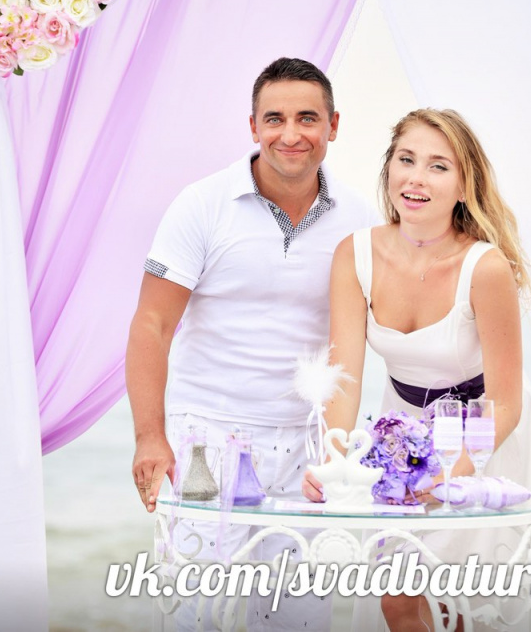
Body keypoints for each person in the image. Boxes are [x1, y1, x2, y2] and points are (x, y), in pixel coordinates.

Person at [126, 57, 375, 630]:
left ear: (334, 125)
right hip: (206, 441)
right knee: (193, 615)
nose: (291, 134)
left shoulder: (361, 217)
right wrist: (149, 437)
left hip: (309, 450)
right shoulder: (201, 205)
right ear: (253, 126)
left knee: (298, 620)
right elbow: (151, 325)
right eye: (275, 119)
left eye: (307, 118)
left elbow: (364, 335)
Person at [303, 109, 531, 632]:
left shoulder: (485, 268)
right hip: (400, 437)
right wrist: (333, 463)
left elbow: (506, 402)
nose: (416, 178)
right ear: (388, 168)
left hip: (483, 437)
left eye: (438, 166)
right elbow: (344, 380)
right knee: (397, 601)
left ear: (464, 186)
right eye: (406, 160)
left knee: (466, 608)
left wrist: (450, 474)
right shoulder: (354, 255)